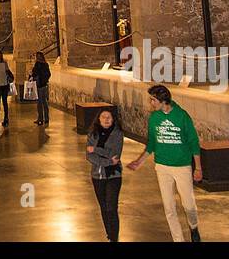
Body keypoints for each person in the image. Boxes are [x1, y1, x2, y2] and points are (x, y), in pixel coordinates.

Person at [127, 84, 203, 242]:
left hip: (182, 166)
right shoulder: (154, 118)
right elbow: (152, 143)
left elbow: (193, 142)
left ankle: (193, 226)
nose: (151, 103)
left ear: (163, 100)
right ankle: (178, 239)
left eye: (153, 100)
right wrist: (139, 161)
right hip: (162, 167)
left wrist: (198, 168)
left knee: (188, 205)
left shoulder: (182, 116)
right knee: (169, 208)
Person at [86, 108, 124, 242]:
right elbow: (90, 156)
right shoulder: (92, 134)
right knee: (103, 207)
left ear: (113, 119)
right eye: (103, 117)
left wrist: (96, 149)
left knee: (111, 207)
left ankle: (114, 238)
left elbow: (115, 154)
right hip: (97, 176)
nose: (106, 119)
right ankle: (109, 234)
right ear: (98, 119)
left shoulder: (117, 134)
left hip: (114, 175)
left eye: (109, 117)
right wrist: (108, 161)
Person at [29, 51, 52, 126]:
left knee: (40, 103)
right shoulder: (45, 64)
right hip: (44, 85)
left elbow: (34, 73)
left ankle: (41, 118)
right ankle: (46, 118)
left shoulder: (38, 64)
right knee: (44, 102)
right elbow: (48, 74)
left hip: (39, 85)